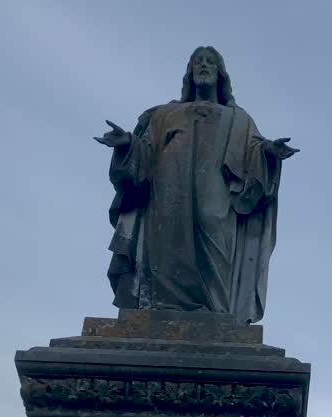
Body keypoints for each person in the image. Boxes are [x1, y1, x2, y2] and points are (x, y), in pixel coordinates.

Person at [96, 46, 297, 324]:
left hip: (216, 194)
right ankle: (158, 310)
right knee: (167, 247)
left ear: (220, 74)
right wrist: (127, 145)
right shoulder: (165, 113)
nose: (203, 66)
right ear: (190, 73)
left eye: (210, 63)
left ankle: (217, 318)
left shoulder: (238, 119)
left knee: (215, 239)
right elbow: (146, 150)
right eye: (197, 62)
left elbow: (254, 151)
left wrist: (268, 153)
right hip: (168, 191)